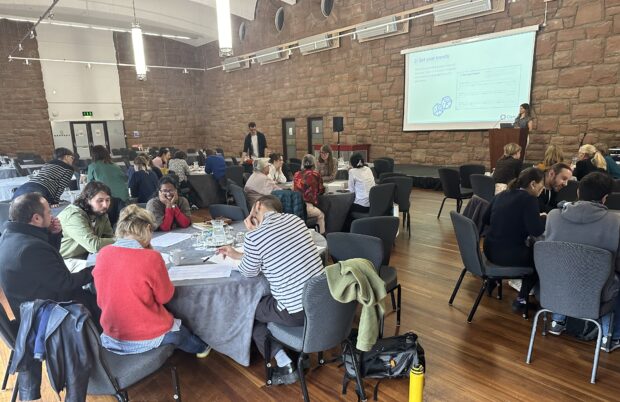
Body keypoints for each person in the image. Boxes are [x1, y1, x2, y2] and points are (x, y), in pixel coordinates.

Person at [217, 195, 323, 385]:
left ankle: (285, 362)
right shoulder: (296, 220)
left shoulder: (255, 236)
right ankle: (294, 350)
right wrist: (238, 253)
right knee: (268, 306)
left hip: (296, 310)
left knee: (250, 311)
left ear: (257, 206)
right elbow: (274, 249)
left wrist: (252, 236)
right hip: (321, 301)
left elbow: (249, 272)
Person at [93, 205, 211, 357]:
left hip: (112, 334)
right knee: (184, 335)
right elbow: (165, 297)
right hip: (145, 334)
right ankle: (203, 348)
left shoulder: (103, 253)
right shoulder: (151, 258)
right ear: (148, 228)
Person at [543, 172, 620, 352]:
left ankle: (557, 321)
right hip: (597, 293)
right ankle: (611, 337)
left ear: (578, 192)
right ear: (605, 198)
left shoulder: (553, 216)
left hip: (555, 288)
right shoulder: (616, 223)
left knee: (566, 267)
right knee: (612, 278)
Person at [0, 193, 98, 321]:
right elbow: (66, 283)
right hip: (47, 315)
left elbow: (47, 262)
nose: (52, 216)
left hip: (29, 304)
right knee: (101, 300)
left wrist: (53, 235)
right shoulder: (31, 248)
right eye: (49, 212)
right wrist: (97, 269)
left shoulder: (9, 236)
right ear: (36, 218)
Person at [482, 168, 546, 311]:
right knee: (540, 259)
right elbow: (536, 231)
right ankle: (521, 300)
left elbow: (485, 218)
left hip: (489, 249)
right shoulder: (530, 200)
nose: (543, 188)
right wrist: (542, 218)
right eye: (542, 185)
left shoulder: (502, 194)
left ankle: (492, 280)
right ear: (533, 184)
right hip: (507, 254)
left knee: (526, 251)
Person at [57, 181, 115, 272]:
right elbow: (93, 245)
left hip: (84, 257)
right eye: (100, 200)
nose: (105, 205)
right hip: (63, 261)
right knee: (103, 270)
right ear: (87, 200)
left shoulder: (101, 214)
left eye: (107, 200)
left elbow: (109, 237)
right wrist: (122, 240)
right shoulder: (74, 216)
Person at [293, 154, 326, 234]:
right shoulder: (316, 175)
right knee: (321, 215)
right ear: (314, 163)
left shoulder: (296, 174)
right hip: (307, 207)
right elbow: (321, 191)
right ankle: (322, 238)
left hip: (295, 206)